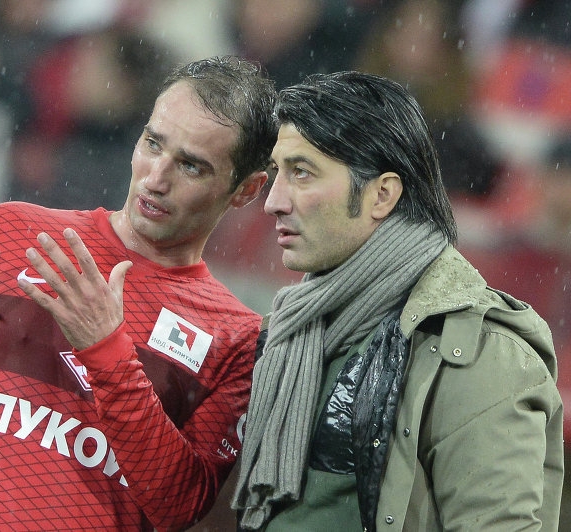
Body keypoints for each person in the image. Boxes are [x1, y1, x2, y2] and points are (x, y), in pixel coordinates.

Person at [0, 56, 277, 531]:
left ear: (246, 190)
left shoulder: (236, 340)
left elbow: (179, 505)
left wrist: (107, 354)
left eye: (190, 166)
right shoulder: (8, 233)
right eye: (153, 144)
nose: (156, 178)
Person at [231, 71, 563, 531]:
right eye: (276, 173)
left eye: (302, 173)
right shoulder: (291, 328)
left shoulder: (483, 355)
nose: (274, 201)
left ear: (382, 194)